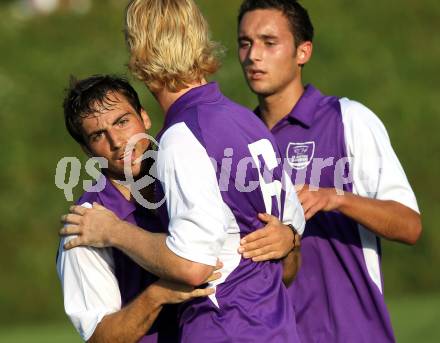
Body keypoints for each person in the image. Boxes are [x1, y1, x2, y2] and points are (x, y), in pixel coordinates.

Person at [60, 0, 305, 342]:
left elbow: (192, 267)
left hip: (223, 331)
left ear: (141, 55)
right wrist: (290, 237)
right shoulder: (248, 120)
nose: (116, 142)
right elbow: (288, 260)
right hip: (278, 329)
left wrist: (115, 232)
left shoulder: (182, 138)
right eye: (99, 135)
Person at [237, 0, 422, 342]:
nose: (253, 55)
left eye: (269, 42)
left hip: (351, 332)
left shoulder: (348, 119)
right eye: (245, 42)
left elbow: (410, 226)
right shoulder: (240, 140)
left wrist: (336, 199)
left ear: (302, 52)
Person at [56, 74, 220, 343]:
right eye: (98, 135)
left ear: (144, 118)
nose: (118, 142)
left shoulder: (193, 169)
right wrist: (159, 293)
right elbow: (100, 338)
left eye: (122, 122)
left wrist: (288, 239)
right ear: (86, 149)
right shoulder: (83, 225)